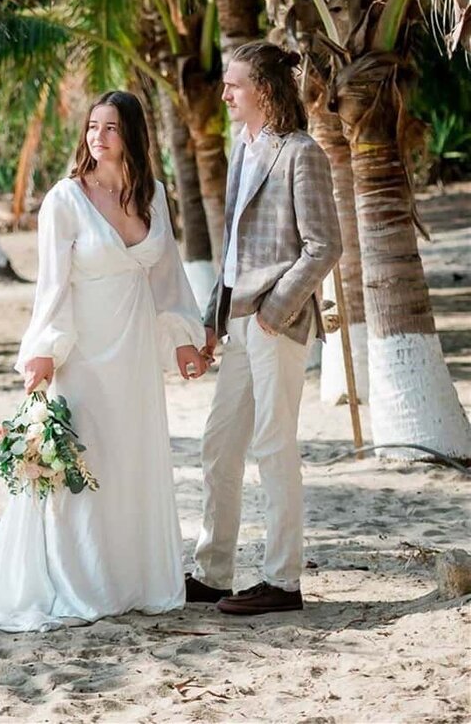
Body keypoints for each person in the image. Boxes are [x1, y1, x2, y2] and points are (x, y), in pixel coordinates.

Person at [0, 90, 209, 638]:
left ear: (132, 134)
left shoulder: (153, 193)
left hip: (132, 355)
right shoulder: (66, 198)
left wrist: (181, 338)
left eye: (110, 128)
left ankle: (133, 581)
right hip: (83, 353)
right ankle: (79, 581)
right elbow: (52, 285)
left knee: (130, 457)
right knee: (82, 461)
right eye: (92, 127)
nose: (97, 137)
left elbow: (166, 274)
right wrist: (43, 351)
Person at [187, 40, 342, 617]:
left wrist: (276, 311)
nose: (225, 92)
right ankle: (213, 571)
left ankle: (283, 581)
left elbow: (325, 245)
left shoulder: (302, 153)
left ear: (265, 91)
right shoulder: (242, 146)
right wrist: (212, 318)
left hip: (278, 323)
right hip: (238, 321)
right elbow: (230, 249)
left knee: (273, 447)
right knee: (219, 443)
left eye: (235, 84)